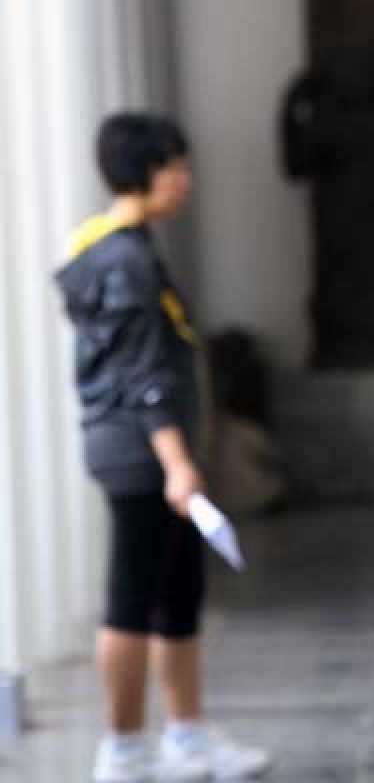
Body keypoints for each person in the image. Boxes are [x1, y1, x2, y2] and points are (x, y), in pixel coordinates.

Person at [55, 113, 271, 782]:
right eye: (175, 166)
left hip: (144, 449)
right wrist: (178, 465)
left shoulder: (114, 247)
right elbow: (144, 376)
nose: (185, 179)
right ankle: (122, 749)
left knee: (177, 589)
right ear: (144, 172)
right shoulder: (124, 260)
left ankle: (185, 734)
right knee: (132, 594)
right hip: (140, 454)